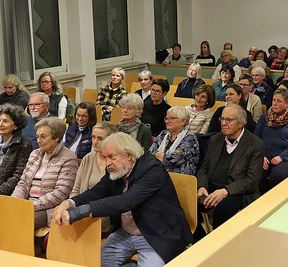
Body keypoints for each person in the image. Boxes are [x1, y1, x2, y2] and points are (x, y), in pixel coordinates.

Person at [52, 132, 192, 266]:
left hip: (155, 233)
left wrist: (78, 212)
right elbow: (98, 191)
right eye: (105, 157)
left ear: (129, 155)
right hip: (125, 232)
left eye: (112, 157)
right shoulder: (117, 169)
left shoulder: (152, 169)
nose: (107, 163)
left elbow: (126, 201)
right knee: (95, 263)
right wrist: (69, 202)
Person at [197, 104, 264, 229]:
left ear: (240, 123)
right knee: (184, 203)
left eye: (229, 120)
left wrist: (225, 191)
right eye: (222, 119)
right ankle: (199, 240)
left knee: (224, 208)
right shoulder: (215, 139)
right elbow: (204, 168)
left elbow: (251, 181)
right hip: (210, 189)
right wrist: (201, 186)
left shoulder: (255, 144)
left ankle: (218, 242)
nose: (223, 123)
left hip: (237, 192)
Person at [12, 117, 78, 229]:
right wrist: (16, 201)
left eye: (43, 137)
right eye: (37, 136)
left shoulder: (69, 158)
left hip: (47, 209)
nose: (38, 140)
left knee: (18, 221)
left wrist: (30, 206)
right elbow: (23, 182)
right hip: (26, 204)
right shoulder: (35, 154)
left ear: (57, 137)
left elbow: (60, 193)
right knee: (0, 215)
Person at [69, 122, 117, 232]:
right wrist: (73, 209)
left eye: (100, 138)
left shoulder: (116, 163)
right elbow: (75, 190)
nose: (95, 142)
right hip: (82, 212)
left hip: (104, 217)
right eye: (93, 137)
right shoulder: (88, 158)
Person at [255, 88, 288, 192]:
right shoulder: (264, 118)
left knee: (278, 175)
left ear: (287, 104)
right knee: (255, 172)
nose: (274, 103)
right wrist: (261, 155)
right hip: (266, 156)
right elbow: (255, 138)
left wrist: (282, 157)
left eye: (279, 101)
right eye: (274, 100)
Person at [0, 104, 33, 199]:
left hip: (5, 194)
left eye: (5, 121)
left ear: (15, 126)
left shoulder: (24, 145)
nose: (0, 124)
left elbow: (18, 176)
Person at [149, 106, 199, 175]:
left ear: (183, 121)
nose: (167, 121)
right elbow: (150, 154)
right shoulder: (163, 134)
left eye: (172, 118)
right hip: (158, 174)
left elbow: (172, 160)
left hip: (179, 179)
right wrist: (162, 156)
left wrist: (159, 155)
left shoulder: (190, 138)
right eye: (166, 118)